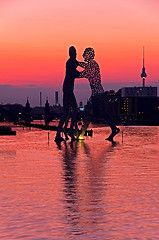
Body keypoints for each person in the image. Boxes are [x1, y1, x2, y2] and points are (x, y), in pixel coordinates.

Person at [78, 47, 120, 141]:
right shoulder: (92, 64)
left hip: (97, 94)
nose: (83, 55)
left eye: (85, 54)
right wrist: (77, 63)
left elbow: (82, 74)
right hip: (96, 93)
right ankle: (114, 129)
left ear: (89, 55)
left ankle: (82, 133)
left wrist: (75, 66)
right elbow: (84, 66)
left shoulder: (93, 65)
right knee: (95, 113)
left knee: (94, 113)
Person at [55, 46, 80, 142]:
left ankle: (61, 133)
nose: (76, 54)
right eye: (74, 52)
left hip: (68, 89)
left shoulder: (72, 62)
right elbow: (74, 73)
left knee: (67, 113)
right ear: (71, 54)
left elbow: (81, 64)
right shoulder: (70, 63)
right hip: (68, 89)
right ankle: (69, 131)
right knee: (74, 110)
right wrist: (85, 74)